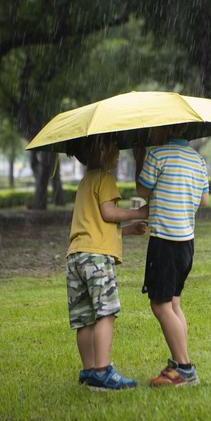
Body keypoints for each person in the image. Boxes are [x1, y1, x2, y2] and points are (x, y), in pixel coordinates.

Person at [66, 136, 148, 391]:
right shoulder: (104, 178)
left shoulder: (84, 183)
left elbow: (96, 227)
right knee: (106, 312)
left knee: (84, 317)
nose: (118, 154)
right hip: (97, 259)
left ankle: (90, 370)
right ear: (104, 151)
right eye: (116, 150)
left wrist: (129, 229)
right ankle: (103, 371)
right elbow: (108, 213)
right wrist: (140, 212)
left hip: (77, 256)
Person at [135, 127, 209, 387]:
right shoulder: (198, 160)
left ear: (164, 129)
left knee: (160, 304)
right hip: (186, 242)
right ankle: (181, 363)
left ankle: (185, 369)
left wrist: (142, 159)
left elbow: (142, 193)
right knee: (174, 303)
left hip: (165, 242)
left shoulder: (157, 155)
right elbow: (205, 200)